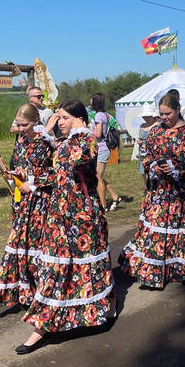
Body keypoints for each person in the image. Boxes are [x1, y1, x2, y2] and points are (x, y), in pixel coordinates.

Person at [16, 100, 114, 354]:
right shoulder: (64, 142)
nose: (59, 122)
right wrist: (33, 182)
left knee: (89, 264)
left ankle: (104, 308)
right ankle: (41, 327)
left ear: (79, 119)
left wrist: (59, 134)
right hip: (59, 213)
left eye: (64, 117)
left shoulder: (87, 140)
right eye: (58, 117)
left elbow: (77, 161)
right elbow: (57, 172)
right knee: (54, 268)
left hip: (82, 214)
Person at [119, 92, 185, 288]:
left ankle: (177, 267)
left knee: (178, 226)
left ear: (177, 110)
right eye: (161, 114)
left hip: (181, 190)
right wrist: (153, 166)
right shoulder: (156, 131)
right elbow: (145, 152)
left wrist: (177, 167)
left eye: (168, 114)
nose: (164, 117)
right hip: (158, 188)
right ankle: (153, 270)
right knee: (156, 224)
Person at [0, 104, 54, 309]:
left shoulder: (46, 144)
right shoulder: (20, 142)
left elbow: (56, 173)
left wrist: (34, 182)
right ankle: (26, 291)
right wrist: (15, 174)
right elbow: (21, 166)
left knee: (38, 244)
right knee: (20, 243)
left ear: (36, 122)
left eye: (24, 124)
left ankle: (44, 291)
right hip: (21, 201)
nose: (20, 128)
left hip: (41, 201)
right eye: (18, 125)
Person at [90, 92, 122, 211]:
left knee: (98, 177)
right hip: (103, 148)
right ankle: (115, 196)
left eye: (91, 99)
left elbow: (98, 133)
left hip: (102, 148)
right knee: (98, 176)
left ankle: (103, 205)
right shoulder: (104, 114)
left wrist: (88, 131)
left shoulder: (98, 116)